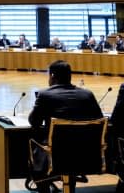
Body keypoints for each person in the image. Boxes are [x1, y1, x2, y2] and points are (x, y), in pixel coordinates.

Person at [28, 60, 103, 193]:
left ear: (52, 76)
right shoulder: (87, 94)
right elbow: (100, 120)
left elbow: (34, 122)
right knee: (72, 149)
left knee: (37, 147)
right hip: (86, 153)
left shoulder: (44, 94)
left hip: (56, 153)